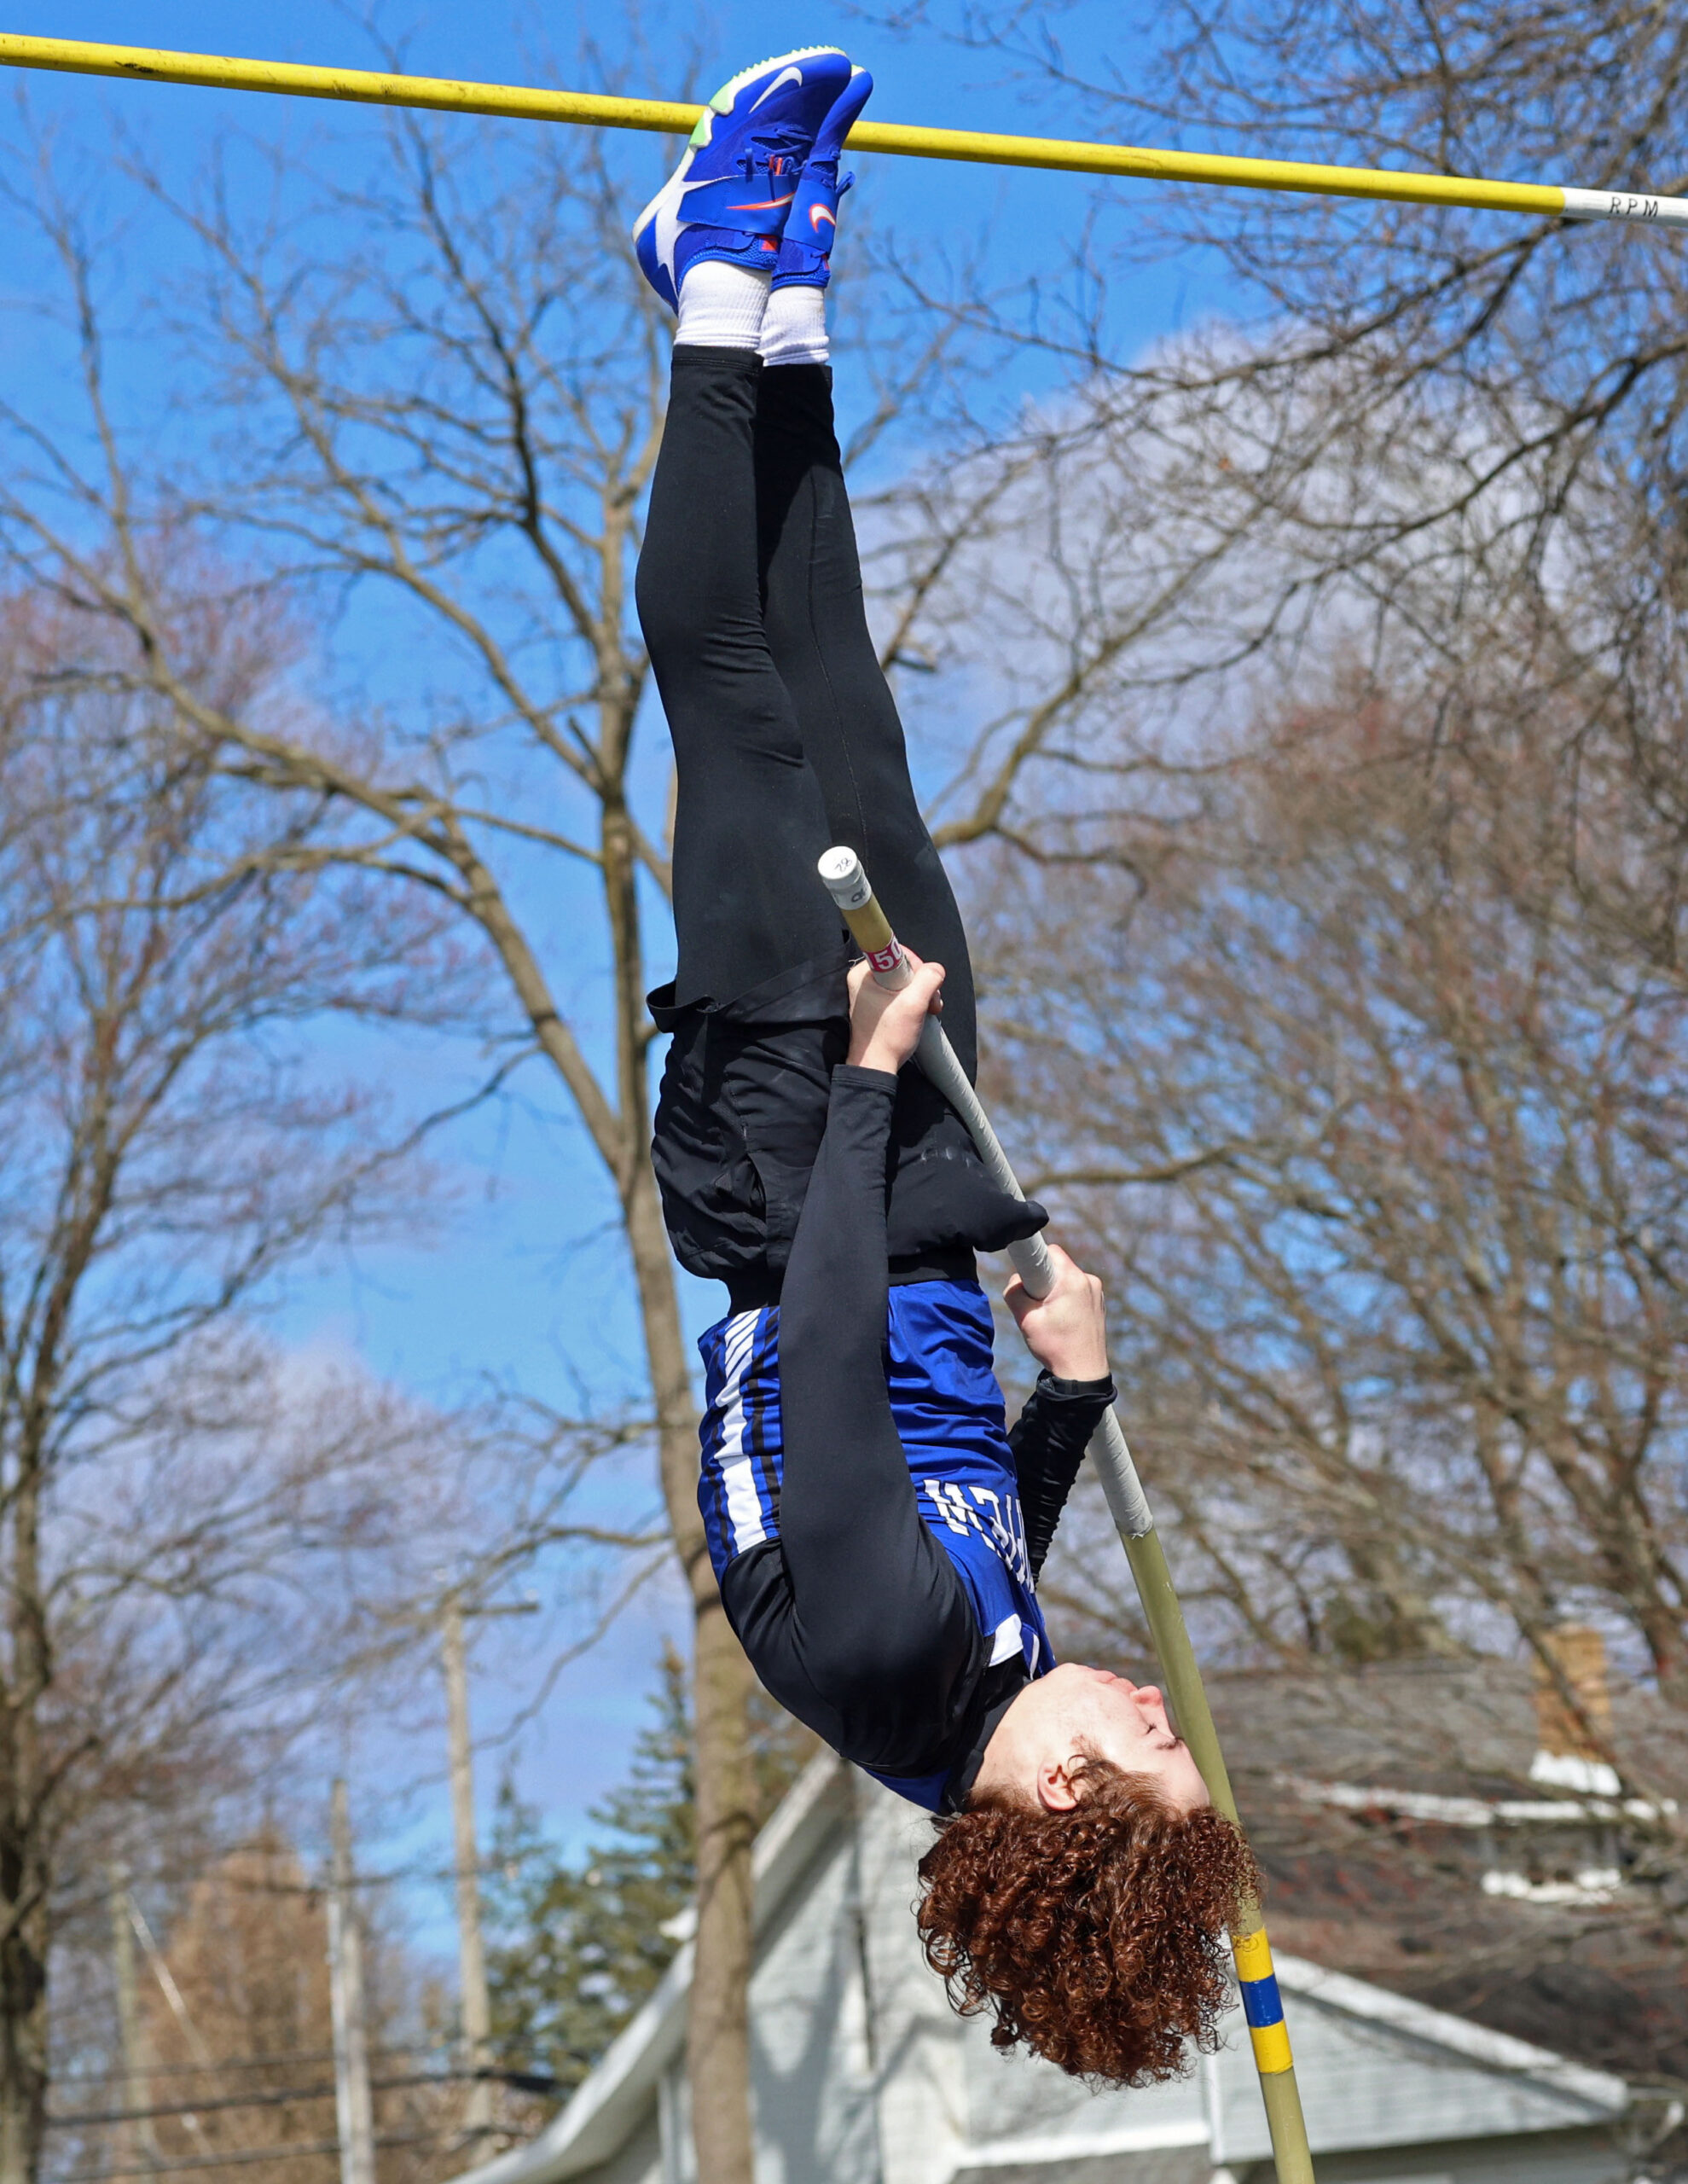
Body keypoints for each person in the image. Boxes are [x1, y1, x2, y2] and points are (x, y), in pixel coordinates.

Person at [633, 48, 1257, 2086]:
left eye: (1147, 1771)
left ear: (1061, 1810)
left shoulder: (896, 1667)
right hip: (900, 1186)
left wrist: (856, 1070)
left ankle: (710, 288)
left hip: (785, 1176)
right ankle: (794, 320)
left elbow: (818, 1363)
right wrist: (1071, 1391)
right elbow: (987, 1500)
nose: (1168, 1727)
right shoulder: (982, 1682)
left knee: (733, 700)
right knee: (856, 714)